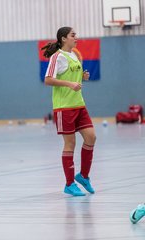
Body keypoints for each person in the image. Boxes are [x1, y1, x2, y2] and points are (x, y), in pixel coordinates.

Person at [42, 27, 96, 197]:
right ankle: (69, 183)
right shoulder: (57, 56)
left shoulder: (74, 55)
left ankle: (84, 176)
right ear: (63, 38)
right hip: (64, 107)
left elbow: (73, 78)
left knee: (91, 137)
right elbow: (48, 80)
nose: (76, 37)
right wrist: (69, 84)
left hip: (79, 104)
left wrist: (82, 77)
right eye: (73, 35)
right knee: (70, 144)